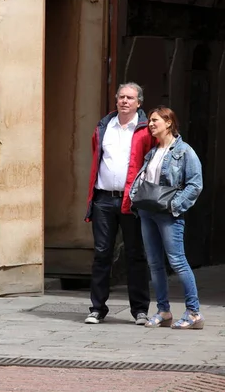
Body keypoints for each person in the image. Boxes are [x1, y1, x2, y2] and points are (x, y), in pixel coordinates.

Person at [130, 106, 204, 329]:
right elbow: (144, 180)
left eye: (155, 121)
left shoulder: (184, 151)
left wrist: (175, 204)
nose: (151, 124)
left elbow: (195, 184)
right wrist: (135, 197)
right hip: (147, 212)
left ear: (169, 123)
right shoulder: (152, 152)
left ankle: (193, 313)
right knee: (154, 263)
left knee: (178, 261)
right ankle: (163, 311)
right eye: (150, 121)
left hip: (169, 214)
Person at [84, 82, 152, 325]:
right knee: (102, 253)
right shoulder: (105, 126)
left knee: (135, 254)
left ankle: (140, 310)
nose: (125, 101)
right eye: (121, 97)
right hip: (103, 198)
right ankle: (97, 308)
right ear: (116, 100)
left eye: (130, 98)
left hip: (131, 201)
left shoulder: (146, 130)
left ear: (139, 103)